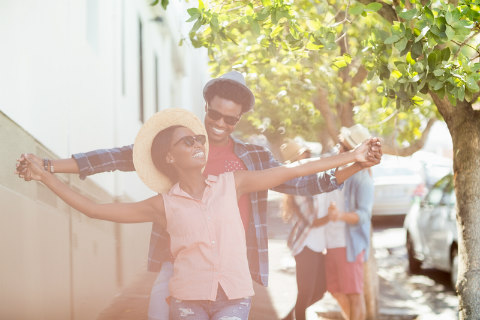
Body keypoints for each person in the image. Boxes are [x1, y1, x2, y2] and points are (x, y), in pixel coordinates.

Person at [17, 71, 383, 320]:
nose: (220, 126)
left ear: (239, 120)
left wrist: (353, 160)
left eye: (230, 120)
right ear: (205, 107)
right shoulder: (180, 140)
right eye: (215, 115)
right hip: (181, 261)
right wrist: (47, 167)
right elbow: (112, 159)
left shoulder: (246, 163)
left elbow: (298, 178)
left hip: (230, 265)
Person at [323, 124, 375, 320]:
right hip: (333, 243)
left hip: (350, 246)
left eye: (344, 147)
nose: (340, 150)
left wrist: (340, 216)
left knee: (354, 295)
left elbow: (364, 216)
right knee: (334, 290)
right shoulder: (336, 170)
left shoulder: (363, 179)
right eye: (340, 144)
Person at [279, 139, 331, 320]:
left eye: (308, 153)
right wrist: (333, 215)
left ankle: (287, 318)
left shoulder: (309, 178)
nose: (309, 156)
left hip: (315, 245)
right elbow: (312, 221)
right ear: (296, 160)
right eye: (304, 154)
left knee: (320, 290)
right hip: (305, 245)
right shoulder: (297, 183)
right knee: (306, 293)